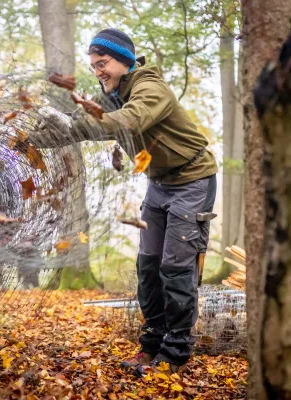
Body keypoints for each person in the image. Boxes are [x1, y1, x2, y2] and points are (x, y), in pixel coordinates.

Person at [33, 28, 218, 374]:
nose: (98, 70)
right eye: (93, 65)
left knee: (176, 268)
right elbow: (81, 123)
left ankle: (175, 353)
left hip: (193, 180)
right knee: (148, 268)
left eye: (102, 63)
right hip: (158, 184)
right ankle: (151, 346)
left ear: (124, 61)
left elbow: (131, 120)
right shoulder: (112, 94)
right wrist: (36, 138)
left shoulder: (150, 88)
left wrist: (79, 123)